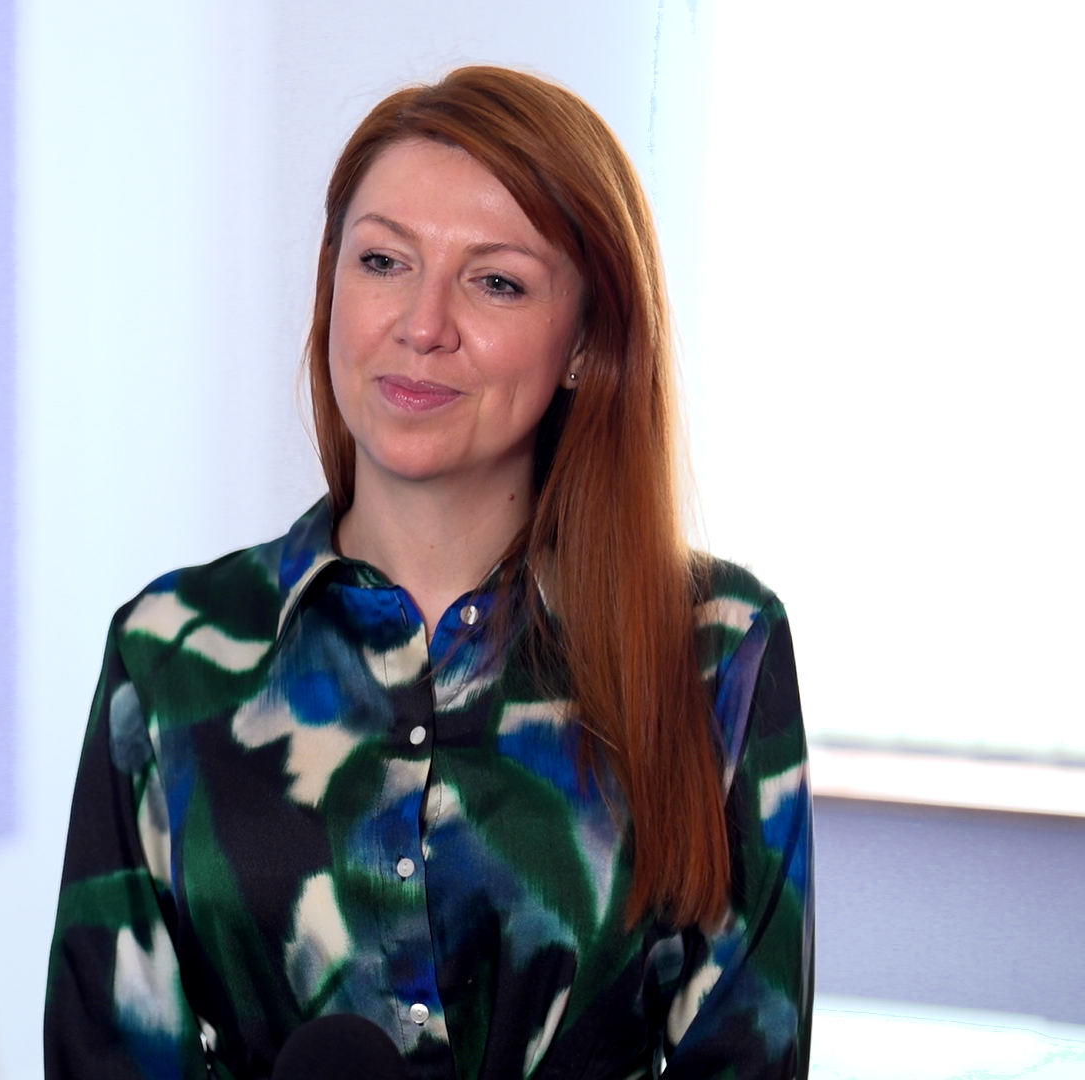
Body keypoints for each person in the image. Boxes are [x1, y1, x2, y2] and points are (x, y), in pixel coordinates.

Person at [45, 66, 812, 1080]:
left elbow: (746, 1054)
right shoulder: (170, 650)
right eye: (382, 262)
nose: (422, 324)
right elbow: (107, 1056)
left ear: (586, 341)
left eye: (496, 282)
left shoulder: (713, 647)